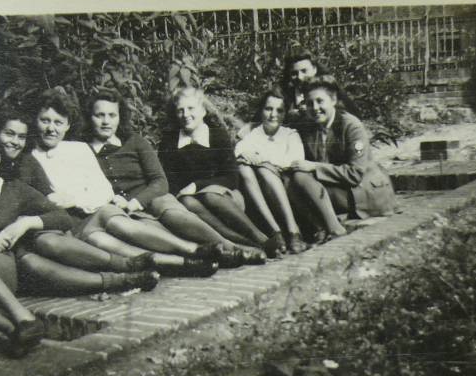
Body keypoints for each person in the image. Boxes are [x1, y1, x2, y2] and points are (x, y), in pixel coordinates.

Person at [0, 127, 156, 358]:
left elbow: (61, 217)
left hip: (0, 264)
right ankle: (14, 328)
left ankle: (22, 315)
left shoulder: (15, 190)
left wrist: (26, 222)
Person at [25, 90, 219, 277]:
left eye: (58, 122)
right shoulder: (29, 158)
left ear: (67, 125)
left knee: (114, 219)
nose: (51, 128)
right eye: (45, 121)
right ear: (35, 121)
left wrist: (75, 200)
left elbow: (104, 191)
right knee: (104, 242)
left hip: (98, 212)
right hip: (71, 225)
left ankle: (192, 250)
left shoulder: (79, 149)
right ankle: (181, 264)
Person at [80, 88, 264, 268]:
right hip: (121, 210)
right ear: (90, 117)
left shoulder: (135, 141)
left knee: (172, 213)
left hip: (152, 198)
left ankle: (232, 249)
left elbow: (160, 181)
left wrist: (137, 201)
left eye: (112, 115)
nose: (106, 121)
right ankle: (210, 255)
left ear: (120, 117)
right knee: (149, 232)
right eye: (100, 115)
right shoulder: (81, 150)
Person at [0, 112, 160, 278]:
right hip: (4, 238)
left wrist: (28, 221)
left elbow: (55, 209)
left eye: (21, 137)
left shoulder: (26, 162)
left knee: (50, 243)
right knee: (33, 261)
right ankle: (124, 275)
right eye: (9, 134)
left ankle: (127, 267)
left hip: (33, 232)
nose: (15, 141)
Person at [157, 87, 273, 258]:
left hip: (224, 197)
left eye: (191, 108)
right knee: (187, 202)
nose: (185, 114)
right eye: (180, 110)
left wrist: (197, 185)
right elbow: (169, 179)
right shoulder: (169, 141)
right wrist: (182, 193)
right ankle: (241, 243)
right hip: (192, 202)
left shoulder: (217, 135)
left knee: (209, 195)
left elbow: (232, 178)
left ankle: (259, 238)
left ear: (203, 111)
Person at [235, 87, 347, 253]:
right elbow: (239, 149)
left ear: (285, 114)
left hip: (287, 187)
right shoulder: (253, 133)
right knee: (244, 168)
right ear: (261, 111)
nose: (273, 114)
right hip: (263, 189)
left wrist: (263, 161)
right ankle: (276, 233)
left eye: (279, 110)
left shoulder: (289, 134)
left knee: (264, 170)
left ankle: (293, 232)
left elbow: (294, 160)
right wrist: (246, 154)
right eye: (268, 109)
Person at [292, 76, 398, 220]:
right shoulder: (310, 126)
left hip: (362, 192)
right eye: (310, 103)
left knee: (302, 191)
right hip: (337, 186)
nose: (315, 108)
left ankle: (327, 227)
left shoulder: (352, 126)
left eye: (320, 101)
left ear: (333, 100)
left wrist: (314, 167)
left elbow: (355, 173)